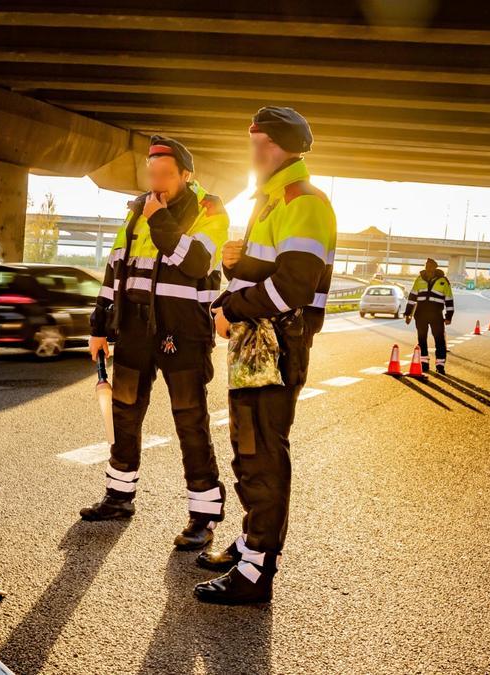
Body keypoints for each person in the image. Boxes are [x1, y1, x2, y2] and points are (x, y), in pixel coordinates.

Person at [198, 107, 337, 604]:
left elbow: (295, 284)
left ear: (271, 146)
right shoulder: (275, 201)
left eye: (254, 141)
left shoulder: (304, 201)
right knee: (247, 449)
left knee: (261, 455)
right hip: (259, 345)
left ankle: (257, 570)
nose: (250, 151)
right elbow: (274, 268)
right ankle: (251, 540)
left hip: (277, 345)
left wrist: (231, 306)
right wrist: (238, 263)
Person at [82, 135, 230, 552]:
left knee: (190, 420)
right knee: (125, 413)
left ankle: (203, 517)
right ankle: (119, 497)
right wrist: (98, 327)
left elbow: (197, 261)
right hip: (133, 331)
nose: (157, 181)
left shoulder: (209, 211)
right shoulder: (135, 211)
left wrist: (160, 218)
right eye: (152, 173)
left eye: (166, 174)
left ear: (186, 175)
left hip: (183, 334)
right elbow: (114, 271)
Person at [404, 258, 454, 374]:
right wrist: (408, 314)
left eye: (430, 266)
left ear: (435, 267)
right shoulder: (419, 279)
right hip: (420, 314)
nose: (428, 268)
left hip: (436, 315)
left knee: (439, 340)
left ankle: (440, 365)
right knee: (422, 339)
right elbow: (412, 298)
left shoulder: (443, 281)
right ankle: (424, 363)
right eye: (426, 266)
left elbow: (449, 300)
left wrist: (448, 316)